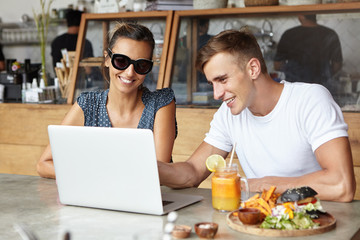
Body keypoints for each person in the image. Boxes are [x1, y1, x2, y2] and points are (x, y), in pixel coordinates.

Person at [158, 29, 356, 202]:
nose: (217, 94)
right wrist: (148, 168)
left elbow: (341, 185)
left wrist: (262, 185)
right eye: (212, 84)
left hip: (314, 223)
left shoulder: (309, 100)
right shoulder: (228, 114)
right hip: (261, 224)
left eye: (223, 79)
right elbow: (192, 172)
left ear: (253, 69)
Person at [38, 22, 177, 179]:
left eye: (141, 65)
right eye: (121, 61)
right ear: (107, 59)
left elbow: (158, 172)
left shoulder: (161, 104)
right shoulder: (88, 104)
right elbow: (44, 164)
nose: (130, 72)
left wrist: (97, 173)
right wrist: (90, 176)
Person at [274, 14, 343, 89]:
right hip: (322, 89)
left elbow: (277, 65)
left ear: (301, 16)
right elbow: (337, 65)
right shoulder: (330, 34)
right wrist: (324, 76)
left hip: (295, 89)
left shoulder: (288, 34)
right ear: (315, 15)